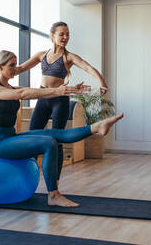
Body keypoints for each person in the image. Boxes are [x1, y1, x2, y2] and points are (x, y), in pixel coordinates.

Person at [0, 50, 123, 207]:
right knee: (48, 143)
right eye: (11, 65)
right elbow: (23, 93)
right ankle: (53, 195)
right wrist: (58, 90)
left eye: (16, 65)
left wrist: (69, 90)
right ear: (0, 66)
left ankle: (97, 127)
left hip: (11, 136)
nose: (15, 68)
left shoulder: (10, 87)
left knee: (54, 134)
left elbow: (39, 93)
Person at [14, 21, 109, 183]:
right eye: (62, 34)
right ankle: (26, 175)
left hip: (60, 101)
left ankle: (54, 180)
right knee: (32, 135)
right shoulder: (41, 55)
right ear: (52, 35)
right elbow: (20, 68)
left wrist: (101, 82)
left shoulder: (68, 57)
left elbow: (87, 67)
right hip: (43, 98)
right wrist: (1, 70)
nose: (65, 37)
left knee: (57, 139)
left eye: (67, 34)